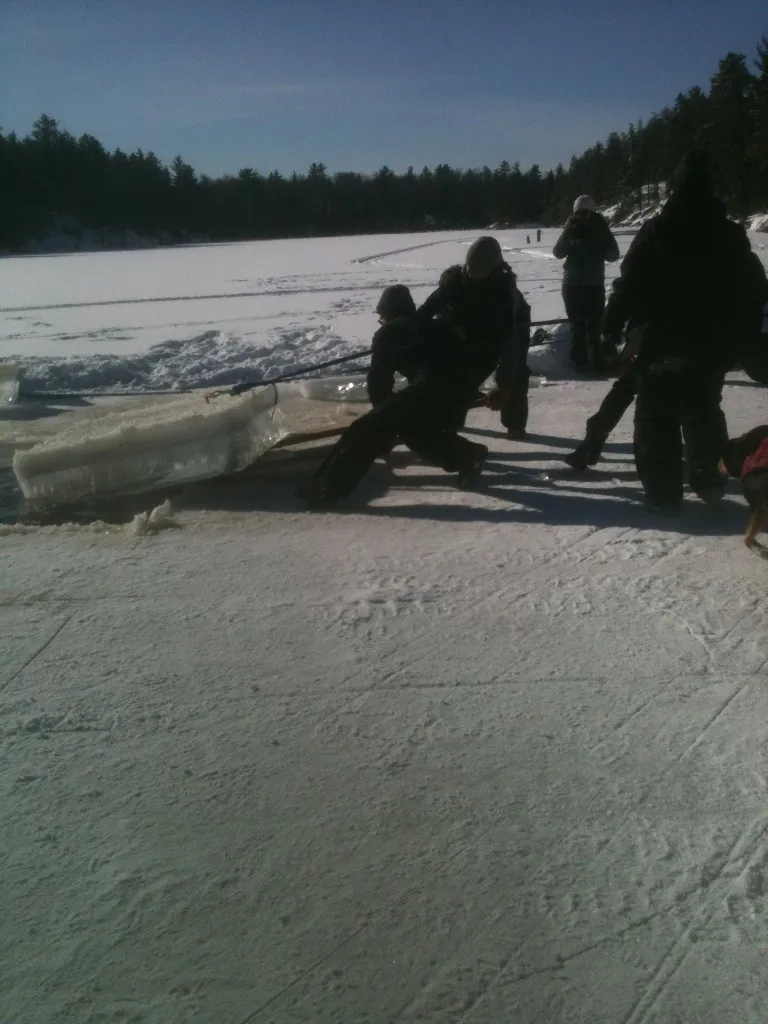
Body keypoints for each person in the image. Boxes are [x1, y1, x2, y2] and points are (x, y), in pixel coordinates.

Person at [600, 149, 767, 513]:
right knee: (703, 409)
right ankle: (709, 479)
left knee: (655, 416)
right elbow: (754, 287)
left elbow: (628, 284)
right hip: (711, 343)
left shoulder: (657, 230)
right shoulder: (729, 233)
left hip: (659, 341)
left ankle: (662, 492)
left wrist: (609, 328)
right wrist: (747, 332)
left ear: (674, 189)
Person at [294, 279, 503, 508]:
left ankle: (328, 488)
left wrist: (382, 421)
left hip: (433, 386)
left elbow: (378, 383)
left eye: (381, 316)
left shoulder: (388, 332)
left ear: (387, 313)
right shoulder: (431, 325)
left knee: (363, 429)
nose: (381, 322)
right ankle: (468, 455)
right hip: (462, 390)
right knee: (416, 433)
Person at [417, 235, 531, 438]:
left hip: (504, 332)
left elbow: (510, 344)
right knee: (454, 374)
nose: (473, 273)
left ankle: (515, 423)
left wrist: (502, 385)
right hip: (467, 331)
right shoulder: (455, 281)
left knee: (517, 372)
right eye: (470, 268)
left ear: (492, 269)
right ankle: (450, 416)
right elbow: (428, 309)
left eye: (479, 270)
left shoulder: (504, 294)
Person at [553, 195, 620, 372]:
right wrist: (568, 232)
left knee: (592, 327)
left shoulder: (600, 228)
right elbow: (558, 252)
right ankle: (581, 363)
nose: (582, 216)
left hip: (591, 286)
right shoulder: (571, 228)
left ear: (593, 212)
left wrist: (603, 233)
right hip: (575, 286)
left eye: (585, 212)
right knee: (578, 328)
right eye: (579, 212)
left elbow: (613, 255)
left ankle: (594, 363)